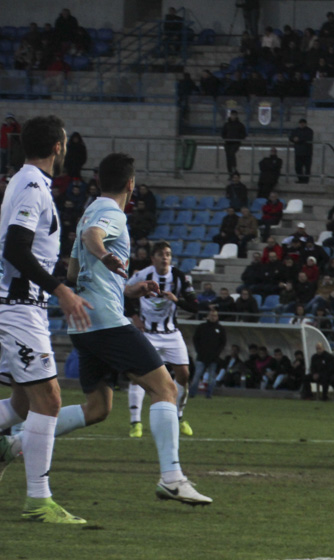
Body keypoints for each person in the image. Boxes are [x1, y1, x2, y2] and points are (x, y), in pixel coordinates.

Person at [5, 152, 213, 513]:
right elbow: (91, 236)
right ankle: (172, 478)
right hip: (105, 322)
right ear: (131, 185)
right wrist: (103, 255)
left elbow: (72, 272)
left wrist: (129, 290)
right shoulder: (110, 213)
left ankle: (17, 443)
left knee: (98, 408)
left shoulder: (88, 207)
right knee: (165, 388)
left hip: (85, 325)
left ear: (99, 181)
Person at [0, 115, 92, 523]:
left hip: (20, 303)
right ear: (57, 146)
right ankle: (38, 500)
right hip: (19, 306)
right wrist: (61, 289)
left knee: (23, 401)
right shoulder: (33, 186)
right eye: (66, 142)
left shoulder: (25, 182)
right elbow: (16, 249)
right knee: (50, 400)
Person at [125, 241, 199, 438]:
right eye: (161, 254)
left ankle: (179, 416)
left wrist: (177, 300)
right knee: (138, 375)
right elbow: (123, 293)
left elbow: (195, 306)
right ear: (153, 258)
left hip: (171, 334)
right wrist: (133, 316)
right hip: (148, 333)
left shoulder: (180, 277)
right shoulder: (142, 275)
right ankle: (135, 422)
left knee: (183, 375)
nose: (165, 257)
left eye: (168, 254)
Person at [189, 308, 226, 399]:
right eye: (212, 315)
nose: (213, 317)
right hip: (201, 356)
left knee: (211, 377)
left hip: (214, 358)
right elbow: (195, 339)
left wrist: (217, 353)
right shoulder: (202, 327)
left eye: (215, 315)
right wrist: (199, 351)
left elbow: (223, 343)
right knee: (197, 376)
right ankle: (192, 393)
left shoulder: (220, 329)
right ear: (208, 316)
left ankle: (209, 394)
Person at [221, 110, 247, 177]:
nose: (233, 116)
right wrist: (226, 138)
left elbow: (244, 134)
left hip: (235, 143)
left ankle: (234, 168)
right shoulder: (227, 124)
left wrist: (238, 138)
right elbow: (223, 133)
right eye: (232, 115)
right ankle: (230, 173)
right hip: (228, 143)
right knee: (228, 157)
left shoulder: (240, 125)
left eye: (234, 115)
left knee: (232, 153)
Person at [289, 118, 313, 184]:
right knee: (298, 167)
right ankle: (301, 180)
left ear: (305, 124)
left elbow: (307, 138)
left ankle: (306, 180)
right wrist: (294, 139)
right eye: (301, 123)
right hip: (298, 153)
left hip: (307, 153)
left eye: (303, 123)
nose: (302, 124)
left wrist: (298, 139)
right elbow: (291, 137)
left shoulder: (309, 131)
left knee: (307, 168)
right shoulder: (296, 130)